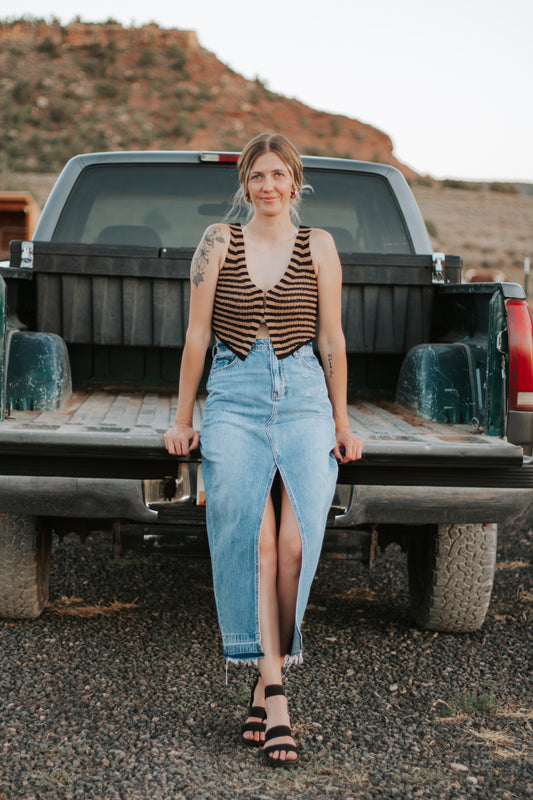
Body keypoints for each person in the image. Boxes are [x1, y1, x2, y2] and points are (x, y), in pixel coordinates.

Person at [164, 133, 364, 767]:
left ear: (296, 181)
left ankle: (262, 676)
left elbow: (331, 340)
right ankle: (275, 693)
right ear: (244, 183)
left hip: (305, 394)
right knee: (254, 538)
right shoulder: (218, 242)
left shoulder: (320, 245)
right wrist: (181, 418)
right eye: (257, 175)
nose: (268, 185)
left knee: (297, 540)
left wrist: (342, 420)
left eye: (279, 174)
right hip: (235, 393)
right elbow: (197, 335)